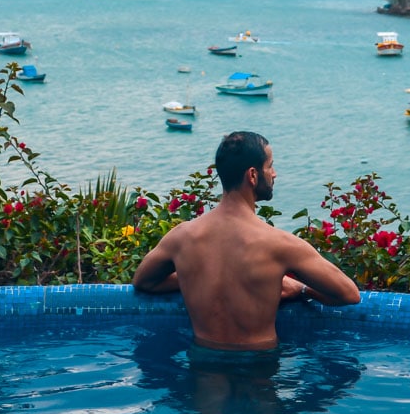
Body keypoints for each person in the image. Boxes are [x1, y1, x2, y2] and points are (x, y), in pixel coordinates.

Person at [133, 131, 361, 351]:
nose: (274, 174)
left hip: (205, 365)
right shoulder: (280, 244)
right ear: (252, 175)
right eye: (270, 166)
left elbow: (144, 282)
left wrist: (192, 276)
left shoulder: (182, 237)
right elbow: (348, 295)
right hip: (258, 367)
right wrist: (300, 289)